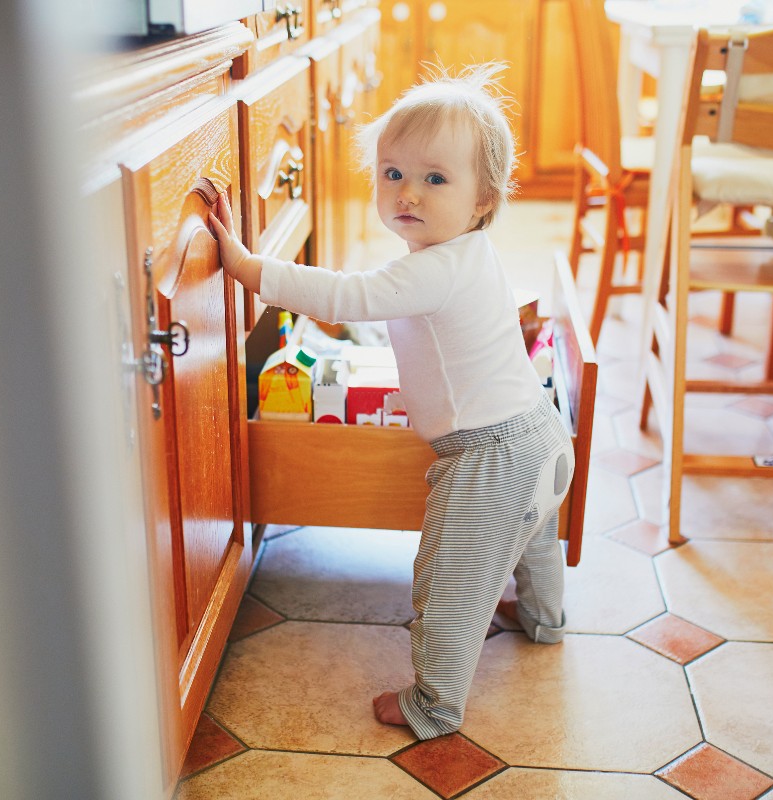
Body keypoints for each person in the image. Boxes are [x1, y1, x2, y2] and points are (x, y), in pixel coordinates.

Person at [208, 63, 575, 740]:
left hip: (488, 459)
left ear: (483, 198)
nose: (407, 192)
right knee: (533, 540)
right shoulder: (472, 253)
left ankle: (434, 704)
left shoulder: (431, 268)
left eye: (435, 179)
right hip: (541, 437)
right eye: (393, 173)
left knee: (450, 582)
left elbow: (348, 295)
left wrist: (247, 267)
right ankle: (544, 620)